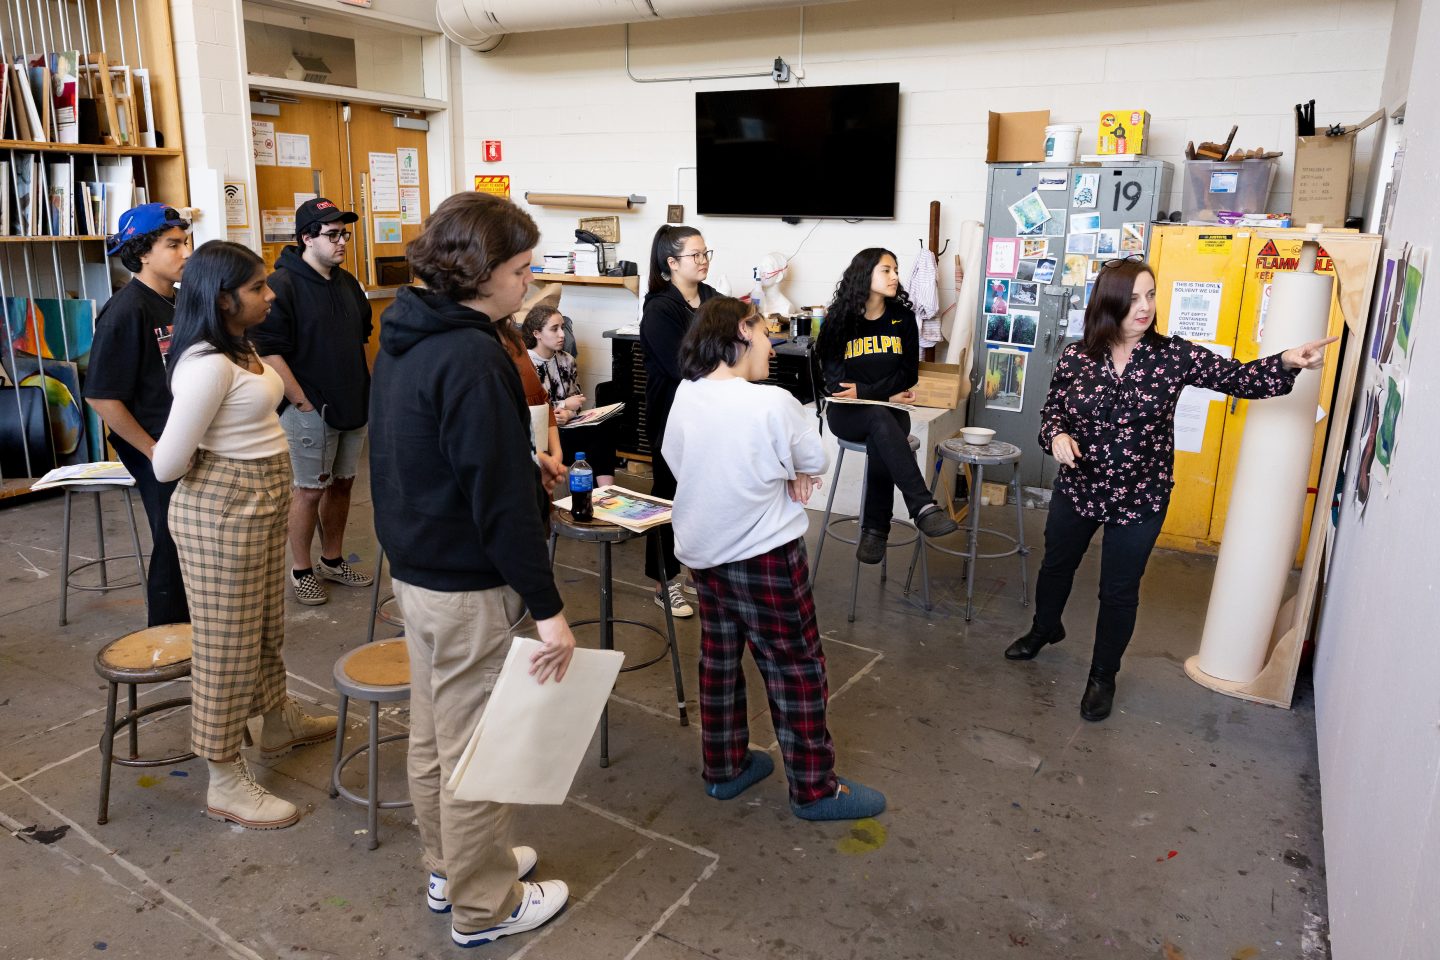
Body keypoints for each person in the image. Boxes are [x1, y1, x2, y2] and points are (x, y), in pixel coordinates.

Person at [368, 191, 575, 948]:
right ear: (482, 271)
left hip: (416, 568)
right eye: (522, 270)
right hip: (463, 581)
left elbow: (437, 451)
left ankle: (449, 866)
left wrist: (524, 468)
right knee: (478, 748)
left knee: (434, 732)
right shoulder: (472, 352)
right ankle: (484, 905)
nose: (530, 282)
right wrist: (549, 608)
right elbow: (495, 503)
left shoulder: (408, 328)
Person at [1009, 257, 1337, 721]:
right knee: (1057, 564)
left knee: (1119, 589)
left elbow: (1239, 378)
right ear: (1109, 303)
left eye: (1151, 295)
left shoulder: (1172, 356)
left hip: (1141, 496)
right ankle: (1044, 628)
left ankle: (1103, 676)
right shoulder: (1077, 356)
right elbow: (1052, 414)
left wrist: (1287, 360)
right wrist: (1057, 436)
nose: (1144, 307)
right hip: (1080, 487)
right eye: (1133, 298)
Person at [665, 296, 886, 821]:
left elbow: (678, 459)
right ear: (740, 332)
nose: (771, 343)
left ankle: (724, 769)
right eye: (764, 333)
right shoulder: (771, 402)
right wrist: (787, 472)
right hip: (764, 557)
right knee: (795, 666)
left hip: (702, 553)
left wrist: (771, 470)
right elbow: (815, 458)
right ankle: (814, 789)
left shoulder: (686, 394)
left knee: (719, 662)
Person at [151, 241, 337, 829]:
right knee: (225, 647)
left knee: (262, 625)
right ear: (223, 298)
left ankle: (276, 720)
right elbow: (167, 465)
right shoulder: (207, 364)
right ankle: (224, 776)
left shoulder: (241, 346)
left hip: (256, 504)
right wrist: (226, 466)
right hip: (221, 512)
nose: (270, 294)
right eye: (258, 287)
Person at [251, 197, 373, 606]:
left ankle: (332, 560)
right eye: (332, 234)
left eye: (345, 234)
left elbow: (361, 337)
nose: (342, 242)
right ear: (306, 237)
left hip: (351, 404)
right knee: (308, 491)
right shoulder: (281, 286)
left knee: (343, 485)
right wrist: (300, 400)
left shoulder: (347, 282)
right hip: (309, 411)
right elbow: (267, 350)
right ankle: (301, 569)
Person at [85, 203, 192, 627]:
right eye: (173, 245)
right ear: (142, 252)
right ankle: (166, 636)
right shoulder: (127, 310)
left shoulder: (181, 302)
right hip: (155, 443)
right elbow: (102, 398)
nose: (185, 253)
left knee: (190, 537)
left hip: (184, 440)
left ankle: (198, 630)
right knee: (171, 540)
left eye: (184, 243)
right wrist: (154, 450)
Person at [817, 247, 958, 563]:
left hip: (892, 412)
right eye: (887, 270)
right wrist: (885, 394)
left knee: (882, 426)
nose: (895, 276)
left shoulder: (903, 318)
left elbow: (908, 374)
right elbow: (837, 386)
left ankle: (876, 532)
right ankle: (920, 508)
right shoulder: (838, 320)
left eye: (896, 270)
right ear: (865, 274)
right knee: (882, 420)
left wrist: (870, 392)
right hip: (846, 415)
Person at [639, 223, 719, 618]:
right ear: (671, 263)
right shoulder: (659, 308)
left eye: (706, 253)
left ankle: (695, 573)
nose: (703, 261)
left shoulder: (711, 300)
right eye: (695, 255)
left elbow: (735, 337)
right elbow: (682, 366)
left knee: (703, 495)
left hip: (710, 413)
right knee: (668, 496)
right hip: (672, 415)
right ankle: (663, 583)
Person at [523, 303, 618, 488]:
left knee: (604, 429)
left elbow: (577, 402)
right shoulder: (526, 365)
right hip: (543, 435)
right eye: (554, 329)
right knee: (590, 443)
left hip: (567, 425)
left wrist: (569, 412)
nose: (562, 334)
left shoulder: (567, 360)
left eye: (562, 328)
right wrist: (564, 405)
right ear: (537, 334)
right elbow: (533, 410)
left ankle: (607, 491)